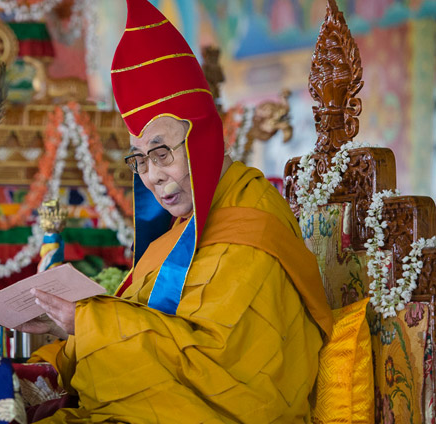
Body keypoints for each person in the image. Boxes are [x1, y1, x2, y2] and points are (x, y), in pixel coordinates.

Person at [17, 0, 334, 422]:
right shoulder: (178, 232)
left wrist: (89, 323)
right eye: (140, 160)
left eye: (163, 153)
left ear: (201, 138)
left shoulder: (252, 223)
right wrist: (66, 328)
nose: (151, 176)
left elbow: (222, 371)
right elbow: (152, 327)